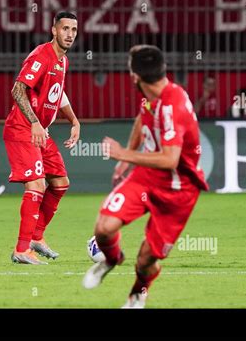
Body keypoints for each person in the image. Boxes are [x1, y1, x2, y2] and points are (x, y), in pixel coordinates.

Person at [82, 45, 209, 307]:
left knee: (146, 260)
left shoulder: (173, 106)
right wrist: (128, 158)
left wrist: (122, 155)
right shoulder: (151, 94)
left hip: (179, 190)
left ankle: (138, 292)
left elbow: (170, 159)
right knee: (104, 228)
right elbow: (142, 120)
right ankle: (112, 259)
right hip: (147, 177)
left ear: (135, 77)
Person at [3, 12, 80, 265]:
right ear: (53, 30)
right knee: (36, 186)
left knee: (60, 183)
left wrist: (73, 120)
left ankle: (36, 237)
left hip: (40, 131)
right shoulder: (41, 56)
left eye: (74, 29)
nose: (69, 34)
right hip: (23, 128)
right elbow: (18, 89)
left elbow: (58, 94)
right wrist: (35, 122)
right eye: (65, 28)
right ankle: (21, 249)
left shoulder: (62, 61)